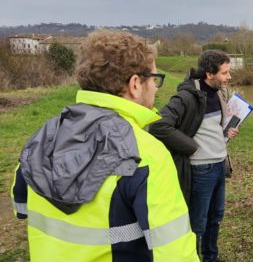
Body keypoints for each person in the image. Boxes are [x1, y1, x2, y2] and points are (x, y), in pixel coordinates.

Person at [10, 30, 198, 261]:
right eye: (154, 78)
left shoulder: (43, 137)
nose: (156, 87)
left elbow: (20, 205)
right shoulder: (147, 154)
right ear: (136, 83)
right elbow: (174, 253)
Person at [149, 50, 238, 262]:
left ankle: (210, 257)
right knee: (197, 223)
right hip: (201, 170)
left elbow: (208, 127)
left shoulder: (218, 93)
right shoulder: (187, 96)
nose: (229, 77)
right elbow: (158, 125)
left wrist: (225, 132)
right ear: (209, 73)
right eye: (225, 73)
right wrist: (191, 146)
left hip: (218, 166)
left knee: (215, 218)